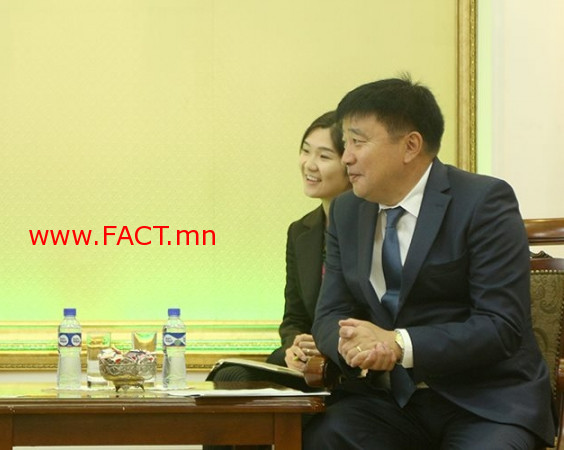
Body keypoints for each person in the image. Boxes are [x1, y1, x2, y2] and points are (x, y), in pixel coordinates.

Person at [304, 76, 555, 449]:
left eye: (358, 142)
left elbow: (500, 326)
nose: (346, 157)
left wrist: (398, 344)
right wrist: (352, 345)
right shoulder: (347, 210)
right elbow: (329, 314)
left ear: (410, 145)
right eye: (345, 143)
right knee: (324, 434)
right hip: (390, 402)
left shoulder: (483, 201)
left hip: (483, 402)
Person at [207, 111, 351, 387]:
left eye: (324, 156)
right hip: (308, 360)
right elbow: (293, 318)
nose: (309, 164)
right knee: (230, 376)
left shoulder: (371, 228)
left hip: (347, 359)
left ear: (350, 164)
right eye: (305, 151)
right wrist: (293, 347)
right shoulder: (300, 231)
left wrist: (327, 342)